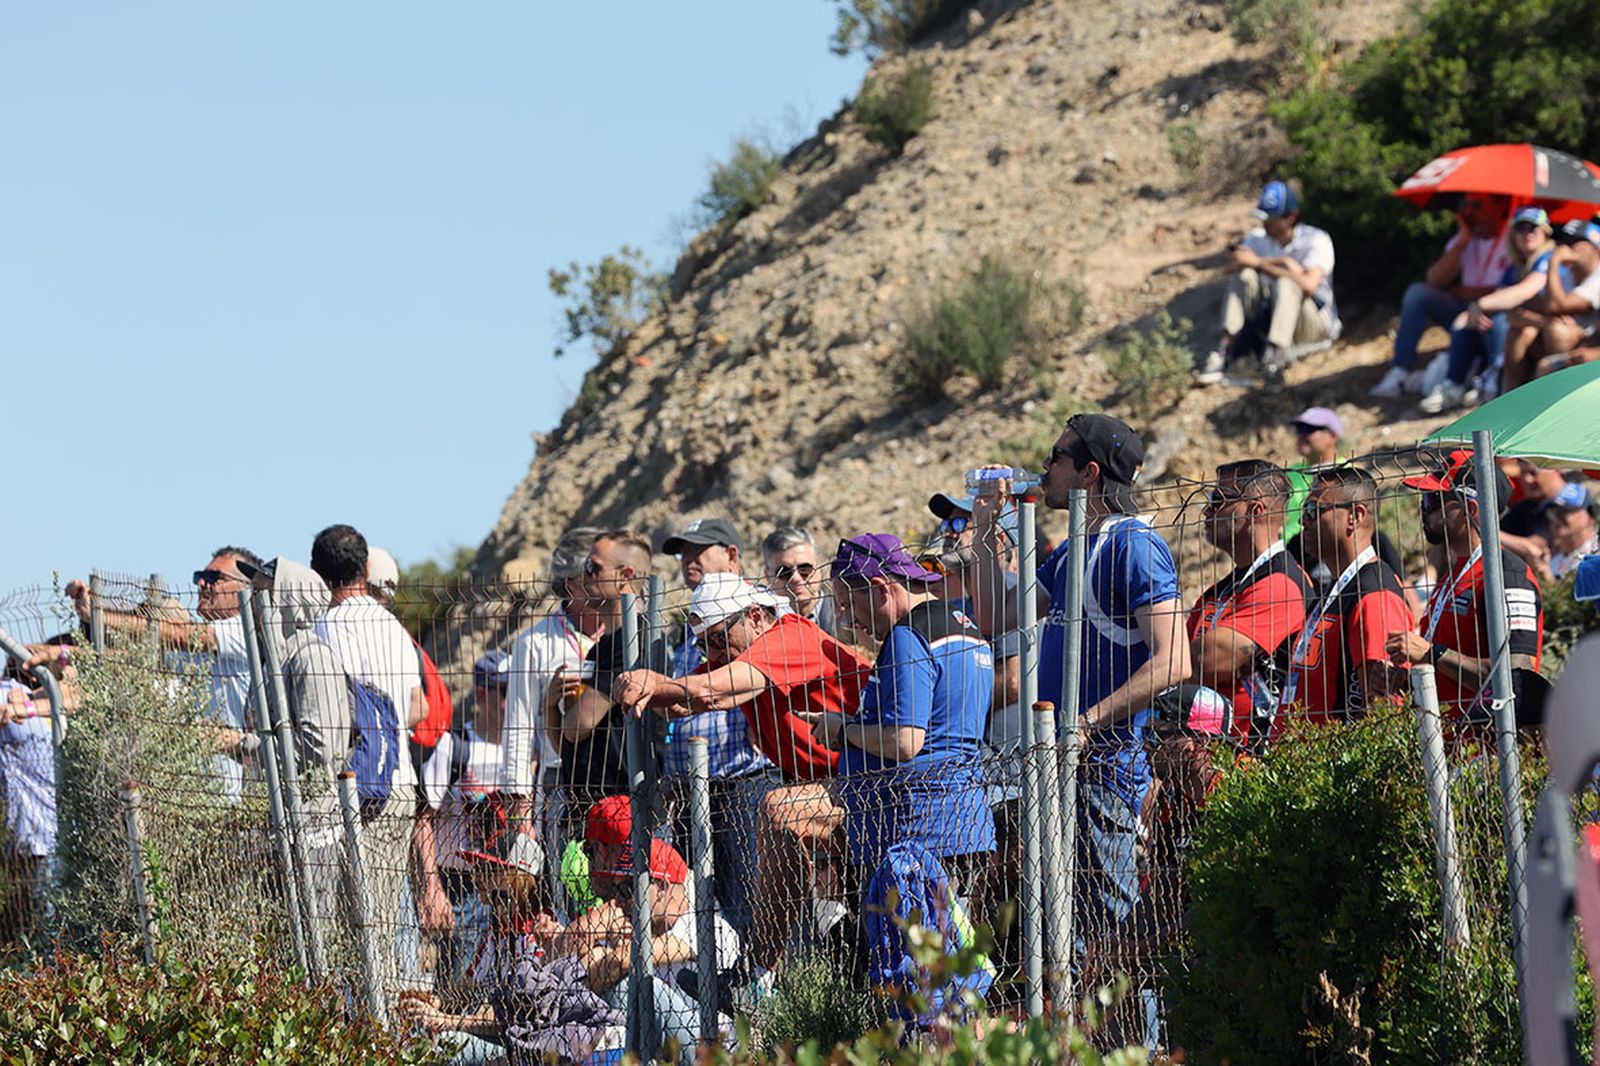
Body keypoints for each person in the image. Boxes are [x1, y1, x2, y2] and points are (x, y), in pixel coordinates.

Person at [969, 413, 1191, 970]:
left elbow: (1175, 660)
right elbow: (997, 616)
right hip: (1064, 771)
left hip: (1103, 773)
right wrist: (985, 525)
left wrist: (1086, 722)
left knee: (1110, 946)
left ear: (1089, 473)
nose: (1045, 466)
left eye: (1057, 456)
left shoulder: (1134, 545)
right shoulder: (1075, 548)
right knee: (1071, 947)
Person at [612, 572, 873, 969]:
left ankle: (760, 968)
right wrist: (652, 688)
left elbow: (708, 691)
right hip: (837, 783)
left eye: (719, 638)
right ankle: (777, 968)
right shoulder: (742, 652)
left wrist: (651, 682)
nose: (714, 652)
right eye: (704, 644)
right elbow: (682, 703)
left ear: (754, 617)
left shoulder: (787, 637)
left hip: (871, 778)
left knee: (779, 813)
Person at [810, 534, 996, 922]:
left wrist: (842, 730)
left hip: (918, 836)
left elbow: (905, 740)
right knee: (949, 950)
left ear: (881, 589)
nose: (847, 619)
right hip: (957, 822)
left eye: (848, 604)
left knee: (917, 956)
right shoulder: (965, 627)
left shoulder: (908, 637)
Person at [397, 807, 625, 1066]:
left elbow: (517, 1016)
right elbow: (468, 987)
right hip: (506, 1032)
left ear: (517, 877)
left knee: (445, 1047)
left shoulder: (538, 932)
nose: (476, 876)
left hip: (536, 1041)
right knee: (421, 1035)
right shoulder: (500, 928)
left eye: (489, 869)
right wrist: (434, 1003)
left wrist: (447, 1021)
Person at [308, 524, 426, 995]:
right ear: (367, 568)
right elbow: (417, 706)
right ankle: (390, 1021)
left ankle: (371, 1026)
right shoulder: (393, 628)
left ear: (317, 573)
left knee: (352, 931)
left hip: (353, 792)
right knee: (384, 925)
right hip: (400, 784)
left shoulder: (322, 631)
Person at [67, 547, 263, 803]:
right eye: (200, 577)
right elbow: (134, 656)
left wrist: (100, 615)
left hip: (230, 794)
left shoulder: (244, 629)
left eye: (215, 578)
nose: (202, 584)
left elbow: (179, 635)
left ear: (245, 589)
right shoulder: (198, 646)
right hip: (188, 794)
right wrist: (86, 625)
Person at [657, 518, 774, 942]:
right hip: (692, 791)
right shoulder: (690, 630)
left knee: (750, 903)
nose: (687, 560)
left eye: (698, 550)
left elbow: (710, 692)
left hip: (741, 783)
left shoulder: (755, 616)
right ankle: (722, 979)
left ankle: (761, 979)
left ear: (731, 555)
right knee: (699, 911)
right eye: (683, 553)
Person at [1385, 451, 1544, 718]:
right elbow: (1448, 670)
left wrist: (1432, 654)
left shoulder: (1506, 574)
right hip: (1448, 738)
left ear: (1470, 510)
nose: (1424, 512)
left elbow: (1516, 676)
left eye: (1433, 501)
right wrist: (1406, 678)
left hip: (1490, 741)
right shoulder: (1454, 574)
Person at [503, 527, 605, 907]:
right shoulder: (534, 643)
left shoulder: (630, 633)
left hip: (619, 777)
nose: (604, 580)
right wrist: (521, 817)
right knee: (573, 896)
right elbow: (517, 728)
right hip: (561, 782)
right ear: (571, 582)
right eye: (593, 572)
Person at [1186, 460, 1314, 749]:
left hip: (1250, 760)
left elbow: (1203, 661)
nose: (1207, 510)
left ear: (1256, 510)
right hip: (1204, 754)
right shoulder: (1218, 591)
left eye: (1218, 500)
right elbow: (1178, 660)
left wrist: (1164, 665)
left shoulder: (1281, 584)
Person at [420, 650, 527, 992]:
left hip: (512, 888)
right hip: (461, 887)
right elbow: (423, 820)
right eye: (505, 690)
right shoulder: (453, 747)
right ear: (482, 693)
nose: (514, 700)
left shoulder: (527, 747)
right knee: (459, 986)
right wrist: (432, 888)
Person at [545, 531, 663, 832]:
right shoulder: (601, 649)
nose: (584, 576)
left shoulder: (634, 645)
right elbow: (567, 748)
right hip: (593, 813)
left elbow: (577, 726)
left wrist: (557, 708)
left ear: (625, 576)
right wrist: (550, 706)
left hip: (622, 814)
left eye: (593, 568)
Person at [1281, 468, 1415, 723]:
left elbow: (1382, 713)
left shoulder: (1374, 595)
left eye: (1313, 510)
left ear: (1355, 516)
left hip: (1335, 748)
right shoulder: (1339, 586)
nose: (1303, 521)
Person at [1419, 206, 1562, 414]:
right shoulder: (1515, 267)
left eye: (1533, 228)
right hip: (1532, 322)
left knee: (1502, 319)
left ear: (1545, 231)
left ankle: (1496, 380)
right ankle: (1455, 383)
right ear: (1512, 234)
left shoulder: (1549, 258)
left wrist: (1480, 304)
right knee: (1469, 321)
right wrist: (1475, 311)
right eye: (1521, 228)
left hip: (1550, 324)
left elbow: (1524, 291)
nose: (1527, 234)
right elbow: (1502, 296)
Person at [1195, 180, 1340, 384]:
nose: (1264, 224)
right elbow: (1234, 265)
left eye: (1271, 219)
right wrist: (1282, 263)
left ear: (1290, 218)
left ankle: (1276, 361)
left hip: (1314, 326)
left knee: (1286, 283)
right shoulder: (1258, 238)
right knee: (1244, 276)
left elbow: (1309, 285)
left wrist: (1261, 263)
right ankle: (1223, 351)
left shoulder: (1315, 239)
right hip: (1271, 319)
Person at [1372, 194, 1512, 398]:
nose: (1469, 212)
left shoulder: (1512, 239)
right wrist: (1461, 243)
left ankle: (1491, 378)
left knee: (1497, 316)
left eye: (1477, 205)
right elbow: (1434, 279)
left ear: (1499, 207)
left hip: (1493, 312)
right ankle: (1400, 370)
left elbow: (1513, 289)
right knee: (1418, 293)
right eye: (1464, 205)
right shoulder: (1463, 240)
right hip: (1464, 311)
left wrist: (1472, 294)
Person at [1506, 219, 1600, 389]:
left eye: (1574, 242)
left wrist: (1553, 262)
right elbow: (1514, 313)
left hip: (1589, 349)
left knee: (1558, 331)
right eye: (1564, 242)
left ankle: (1564, 391)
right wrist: (1543, 321)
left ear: (1594, 247)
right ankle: (1509, 395)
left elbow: (1555, 306)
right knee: (1523, 331)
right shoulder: (1567, 275)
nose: (1566, 248)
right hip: (1572, 349)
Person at [762, 527, 837, 635]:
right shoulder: (764, 626)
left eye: (804, 568)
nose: (796, 578)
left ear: (818, 567)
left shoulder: (845, 615)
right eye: (784, 572)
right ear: (767, 576)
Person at [1283, 406, 1341, 542]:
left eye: (1309, 429)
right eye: (1299, 430)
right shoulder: (1291, 473)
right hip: (1290, 546)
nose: (1301, 435)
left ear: (1332, 436)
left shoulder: (1347, 473)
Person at [1541, 481, 1599, 582]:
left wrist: (1549, 580)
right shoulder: (1552, 560)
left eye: (1565, 511)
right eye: (1552, 512)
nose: (1556, 518)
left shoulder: (1595, 555)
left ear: (1590, 517)